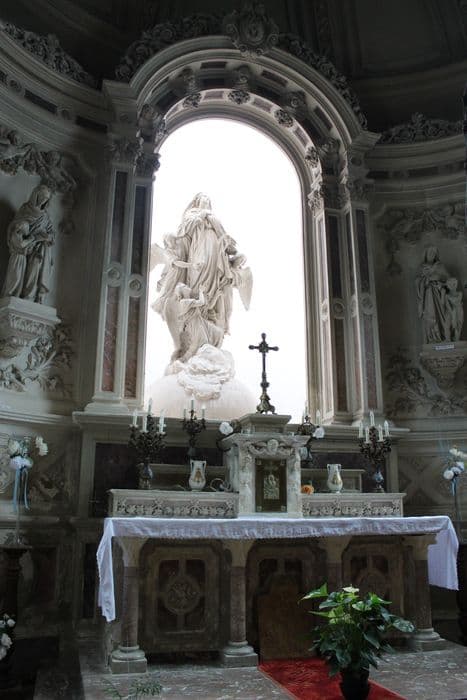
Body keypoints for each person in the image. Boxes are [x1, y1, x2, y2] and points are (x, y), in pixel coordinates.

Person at [152, 193, 252, 365]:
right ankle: (194, 328)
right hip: (198, 250)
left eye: (208, 199)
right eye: (203, 198)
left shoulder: (214, 218)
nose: (206, 200)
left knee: (215, 286)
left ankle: (209, 321)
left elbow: (227, 242)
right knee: (197, 281)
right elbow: (184, 232)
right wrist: (202, 216)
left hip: (216, 255)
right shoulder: (191, 214)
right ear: (197, 201)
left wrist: (228, 245)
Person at [1, 184, 55, 303]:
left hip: (38, 249)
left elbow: (51, 233)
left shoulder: (46, 216)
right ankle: (15, 293)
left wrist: (47, 237)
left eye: (47, 198)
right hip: (24, 249)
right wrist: (31, 237)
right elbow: (17, 226)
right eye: (42, 196)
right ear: (36, 195)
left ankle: (30, 296)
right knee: (17, 275)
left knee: (36, 266)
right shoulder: (25, 209)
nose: (44, 200)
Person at [416, 246, 451, 343]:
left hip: (440, 295)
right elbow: (417, 281)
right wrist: (426, 280)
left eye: (434, 253)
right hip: (428, 295)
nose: (432, 255)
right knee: (430, 315)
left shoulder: (440, 266)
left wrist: (440, 282)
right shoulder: (422, 267)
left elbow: (450, 281)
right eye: (430, 252)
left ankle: (443, 336)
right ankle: (432, 338)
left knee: (442, 315)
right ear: (426, 254)